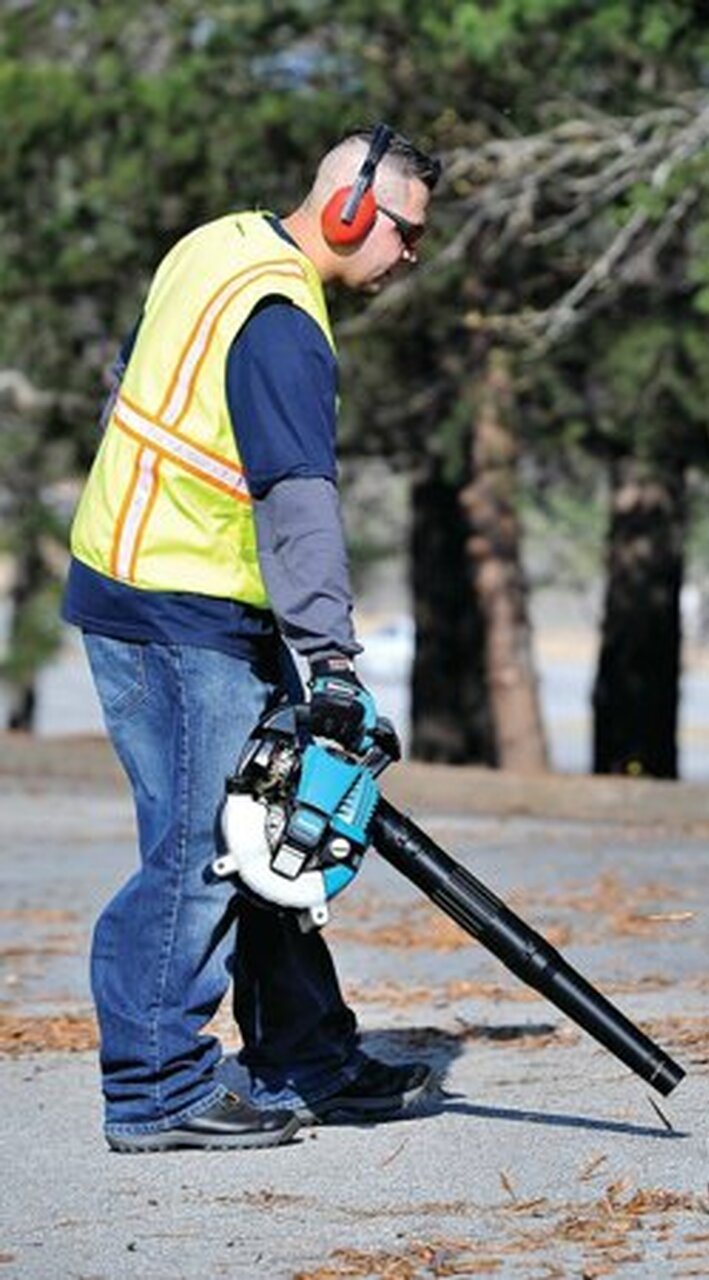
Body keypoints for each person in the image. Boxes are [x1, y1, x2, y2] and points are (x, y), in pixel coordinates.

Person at [62, 125, 443, 1153]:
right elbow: (296, 501)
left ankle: (304, 1054)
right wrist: (330, 661)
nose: (409, 257)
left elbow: (128, 377)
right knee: (200, 847)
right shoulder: (281, 318)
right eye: (405, 235)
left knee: (268, 829)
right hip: (175, 607)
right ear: (352, 211)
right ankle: (155, 1085)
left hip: (173, 590)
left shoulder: (214, 244)